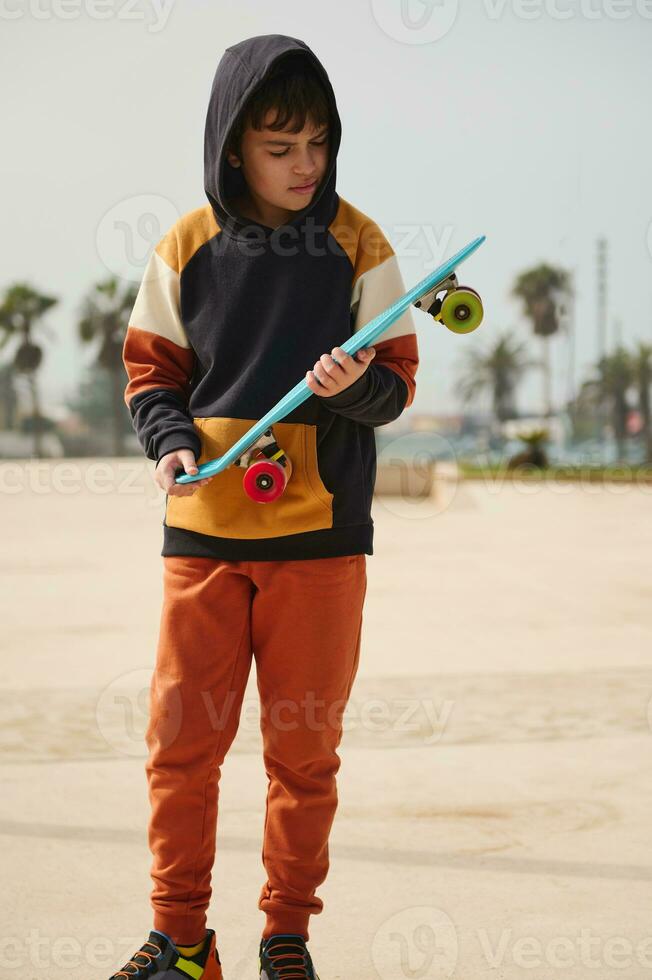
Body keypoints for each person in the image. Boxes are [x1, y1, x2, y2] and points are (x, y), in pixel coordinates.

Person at [113, 33, 419, 980]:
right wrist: (169, 444)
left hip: (321, 543)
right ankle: (182, 939)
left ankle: (286, 935)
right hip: (201, 533)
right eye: (279, 146)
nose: (304, 166)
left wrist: (347, 389)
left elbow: (398, 386)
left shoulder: (360, 242)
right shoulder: (186, 245)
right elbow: (150, 374)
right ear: (232, 143)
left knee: (304, 755)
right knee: (181, 745)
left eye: (317, 144)